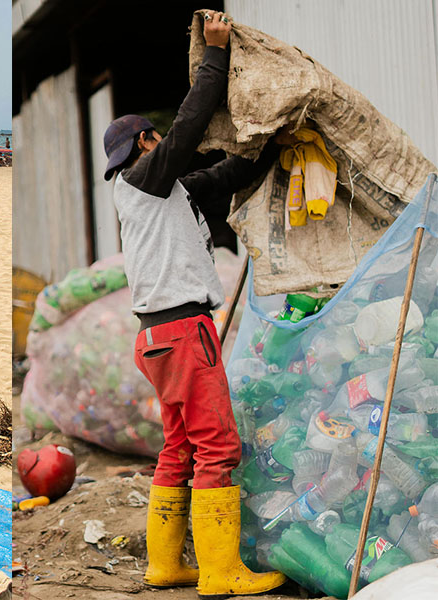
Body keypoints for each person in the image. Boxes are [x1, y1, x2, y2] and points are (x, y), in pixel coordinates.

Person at [101, 11, 286, 597]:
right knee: (218, 445)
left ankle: (165, 565)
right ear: (144, 145)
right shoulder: (143, 178)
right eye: (157, 140)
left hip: (155, 338)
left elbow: (226, 172)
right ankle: (221, 571)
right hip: (183, 331)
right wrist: (215, 55)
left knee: (179, 446)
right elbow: (189, 125)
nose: (168, 146)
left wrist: (270, 141)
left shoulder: (165, 194)